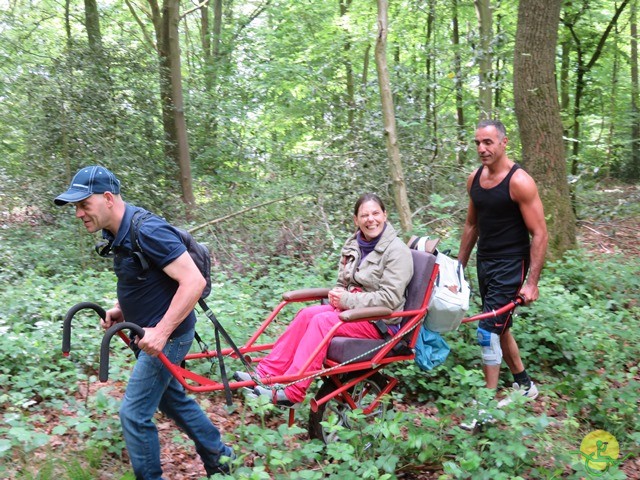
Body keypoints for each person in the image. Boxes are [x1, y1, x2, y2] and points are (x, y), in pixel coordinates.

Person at [54, 166, 234, 479]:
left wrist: (162, 331)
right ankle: (222, 459)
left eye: (84, 204)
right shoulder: (117, 231)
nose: (78, 213)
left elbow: (191, 281)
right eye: (76, 207)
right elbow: (144, 276)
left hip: (170, 335)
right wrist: (120, 308)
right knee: (173, 399)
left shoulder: (149, 229)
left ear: (108, 198)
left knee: (133, 415)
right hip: (146, 333)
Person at [236, 193, 413, 406]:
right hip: (353, 311)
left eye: (376, 213)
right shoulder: (353, 245)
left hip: (381, 320)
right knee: (306, 314)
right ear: (356, 220)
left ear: (385, 215)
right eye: (364, 215)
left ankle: (292, 391)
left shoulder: (397, 251)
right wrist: (337, 294)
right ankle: (265, 375)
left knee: (322, 322)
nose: (370, 219)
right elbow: (343, 282)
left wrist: (346, 299)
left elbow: (389, 300)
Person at [457, 119, 548, 412]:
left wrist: (531, 282)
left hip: (512, 264)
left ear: (504, 143)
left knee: (486, 331)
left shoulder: (519, 181)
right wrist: (458, 268)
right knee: (500, 327)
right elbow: (472, 226)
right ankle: (524, 385)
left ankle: (486, 407)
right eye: (478, 143)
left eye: (488, 142)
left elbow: (540, 233)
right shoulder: (475, 179)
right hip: (486, 262)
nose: (482, 149)